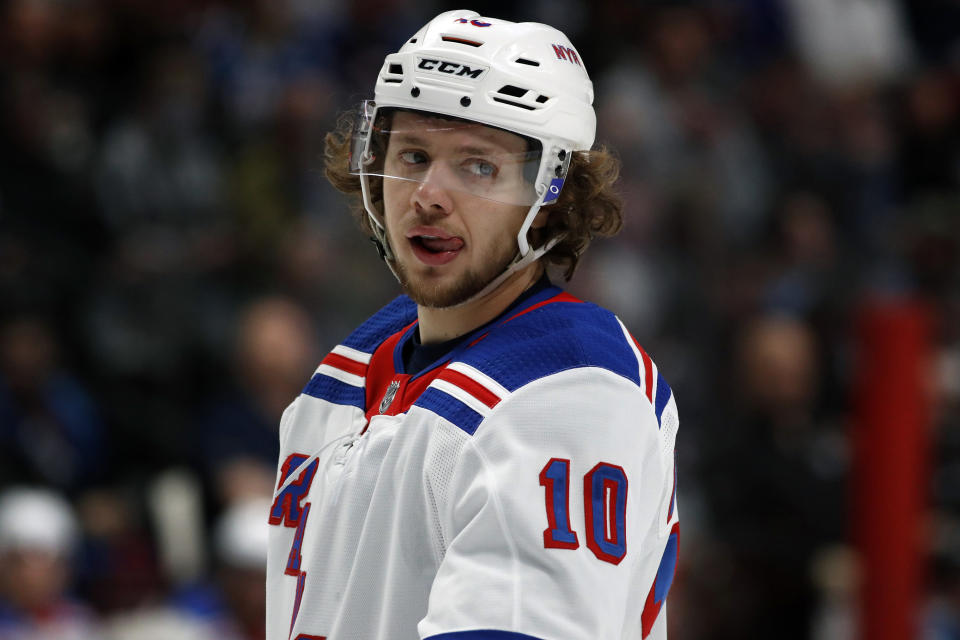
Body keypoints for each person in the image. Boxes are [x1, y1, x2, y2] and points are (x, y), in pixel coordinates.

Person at [266, 10, 680, 640]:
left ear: (550, 196)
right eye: (412, 155)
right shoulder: (350, 367)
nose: (428, 195)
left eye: (477, 166)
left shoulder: (571, 385)